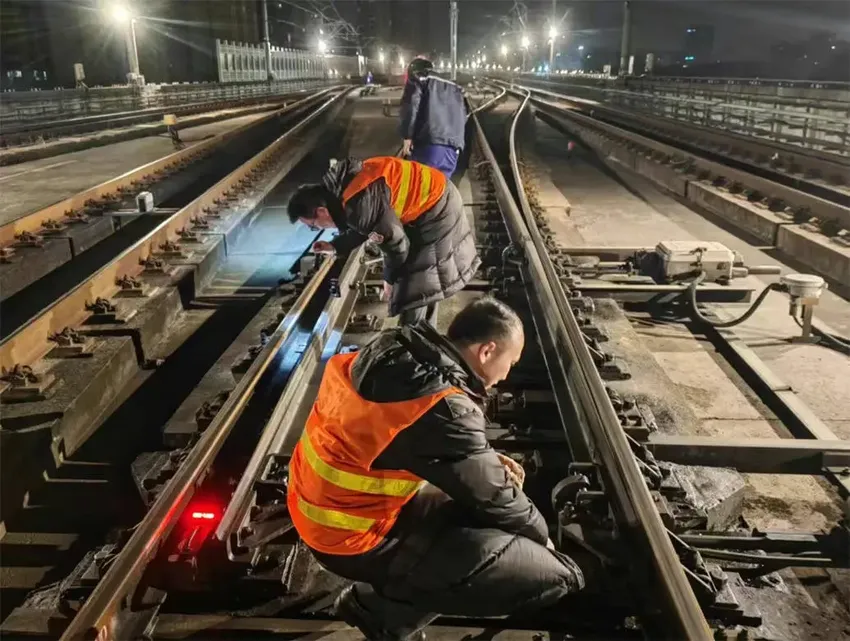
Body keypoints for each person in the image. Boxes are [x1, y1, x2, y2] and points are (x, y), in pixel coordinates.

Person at [286, 297, 590, 641]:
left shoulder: (394, 355)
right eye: (511, 361)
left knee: (476, 507)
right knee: (553, 574)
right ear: (487, 351)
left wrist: (485, 460)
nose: (506, 376)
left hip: (319, 507)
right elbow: (495, 496)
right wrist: (544, 540)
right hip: (348, 537)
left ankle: (380, 604)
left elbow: (425, 446)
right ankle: (378, 614)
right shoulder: (441, 407)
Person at [287, 156, 479, 326]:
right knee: (423, 279)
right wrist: (336, 246)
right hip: (435, 197)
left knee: (414, 284)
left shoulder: (358, 205)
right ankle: (421, 334)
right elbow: (370, 223)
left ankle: (413, 341)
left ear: (321, 211)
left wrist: (389, 279)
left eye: (313, 225)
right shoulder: (342, 189)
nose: (317, 229)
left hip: (438, 208)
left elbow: (396, 245)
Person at [400, 56, 466, 179]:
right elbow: (463, 115)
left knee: (422, 188)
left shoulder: (419, 78)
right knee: (440, 189)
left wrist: (407, 136)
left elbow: (412, 106)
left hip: (430, 145)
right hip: (453, 149)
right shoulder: (454, 86)